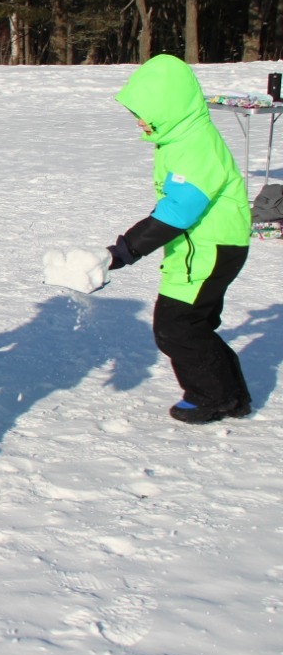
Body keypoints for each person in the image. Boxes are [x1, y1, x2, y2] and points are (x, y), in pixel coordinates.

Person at [104, 54, 252, 424]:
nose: (139, 121)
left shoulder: (195, 144)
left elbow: (180, 210)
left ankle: (212, 397)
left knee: (176, 327)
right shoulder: (182, 137)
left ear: (169, 108)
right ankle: (230, 395)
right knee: (191, 324)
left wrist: (124, 251)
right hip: (202, 245)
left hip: (210, 247)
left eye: (145, 112)